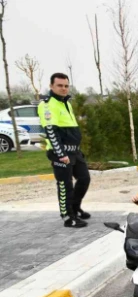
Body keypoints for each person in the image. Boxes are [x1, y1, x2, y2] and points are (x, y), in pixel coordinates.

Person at [38, 72, 91, 228]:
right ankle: (68, 217)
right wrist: (61, 154)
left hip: (75, 152)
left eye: (66, 86)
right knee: (64, 184)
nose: (63, 88)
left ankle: (75, 208)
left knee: (84, 179)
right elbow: (51, 131)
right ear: (51, 86)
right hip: (60, 153)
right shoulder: (47, 105)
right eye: (60, 85)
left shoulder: (66, 103)